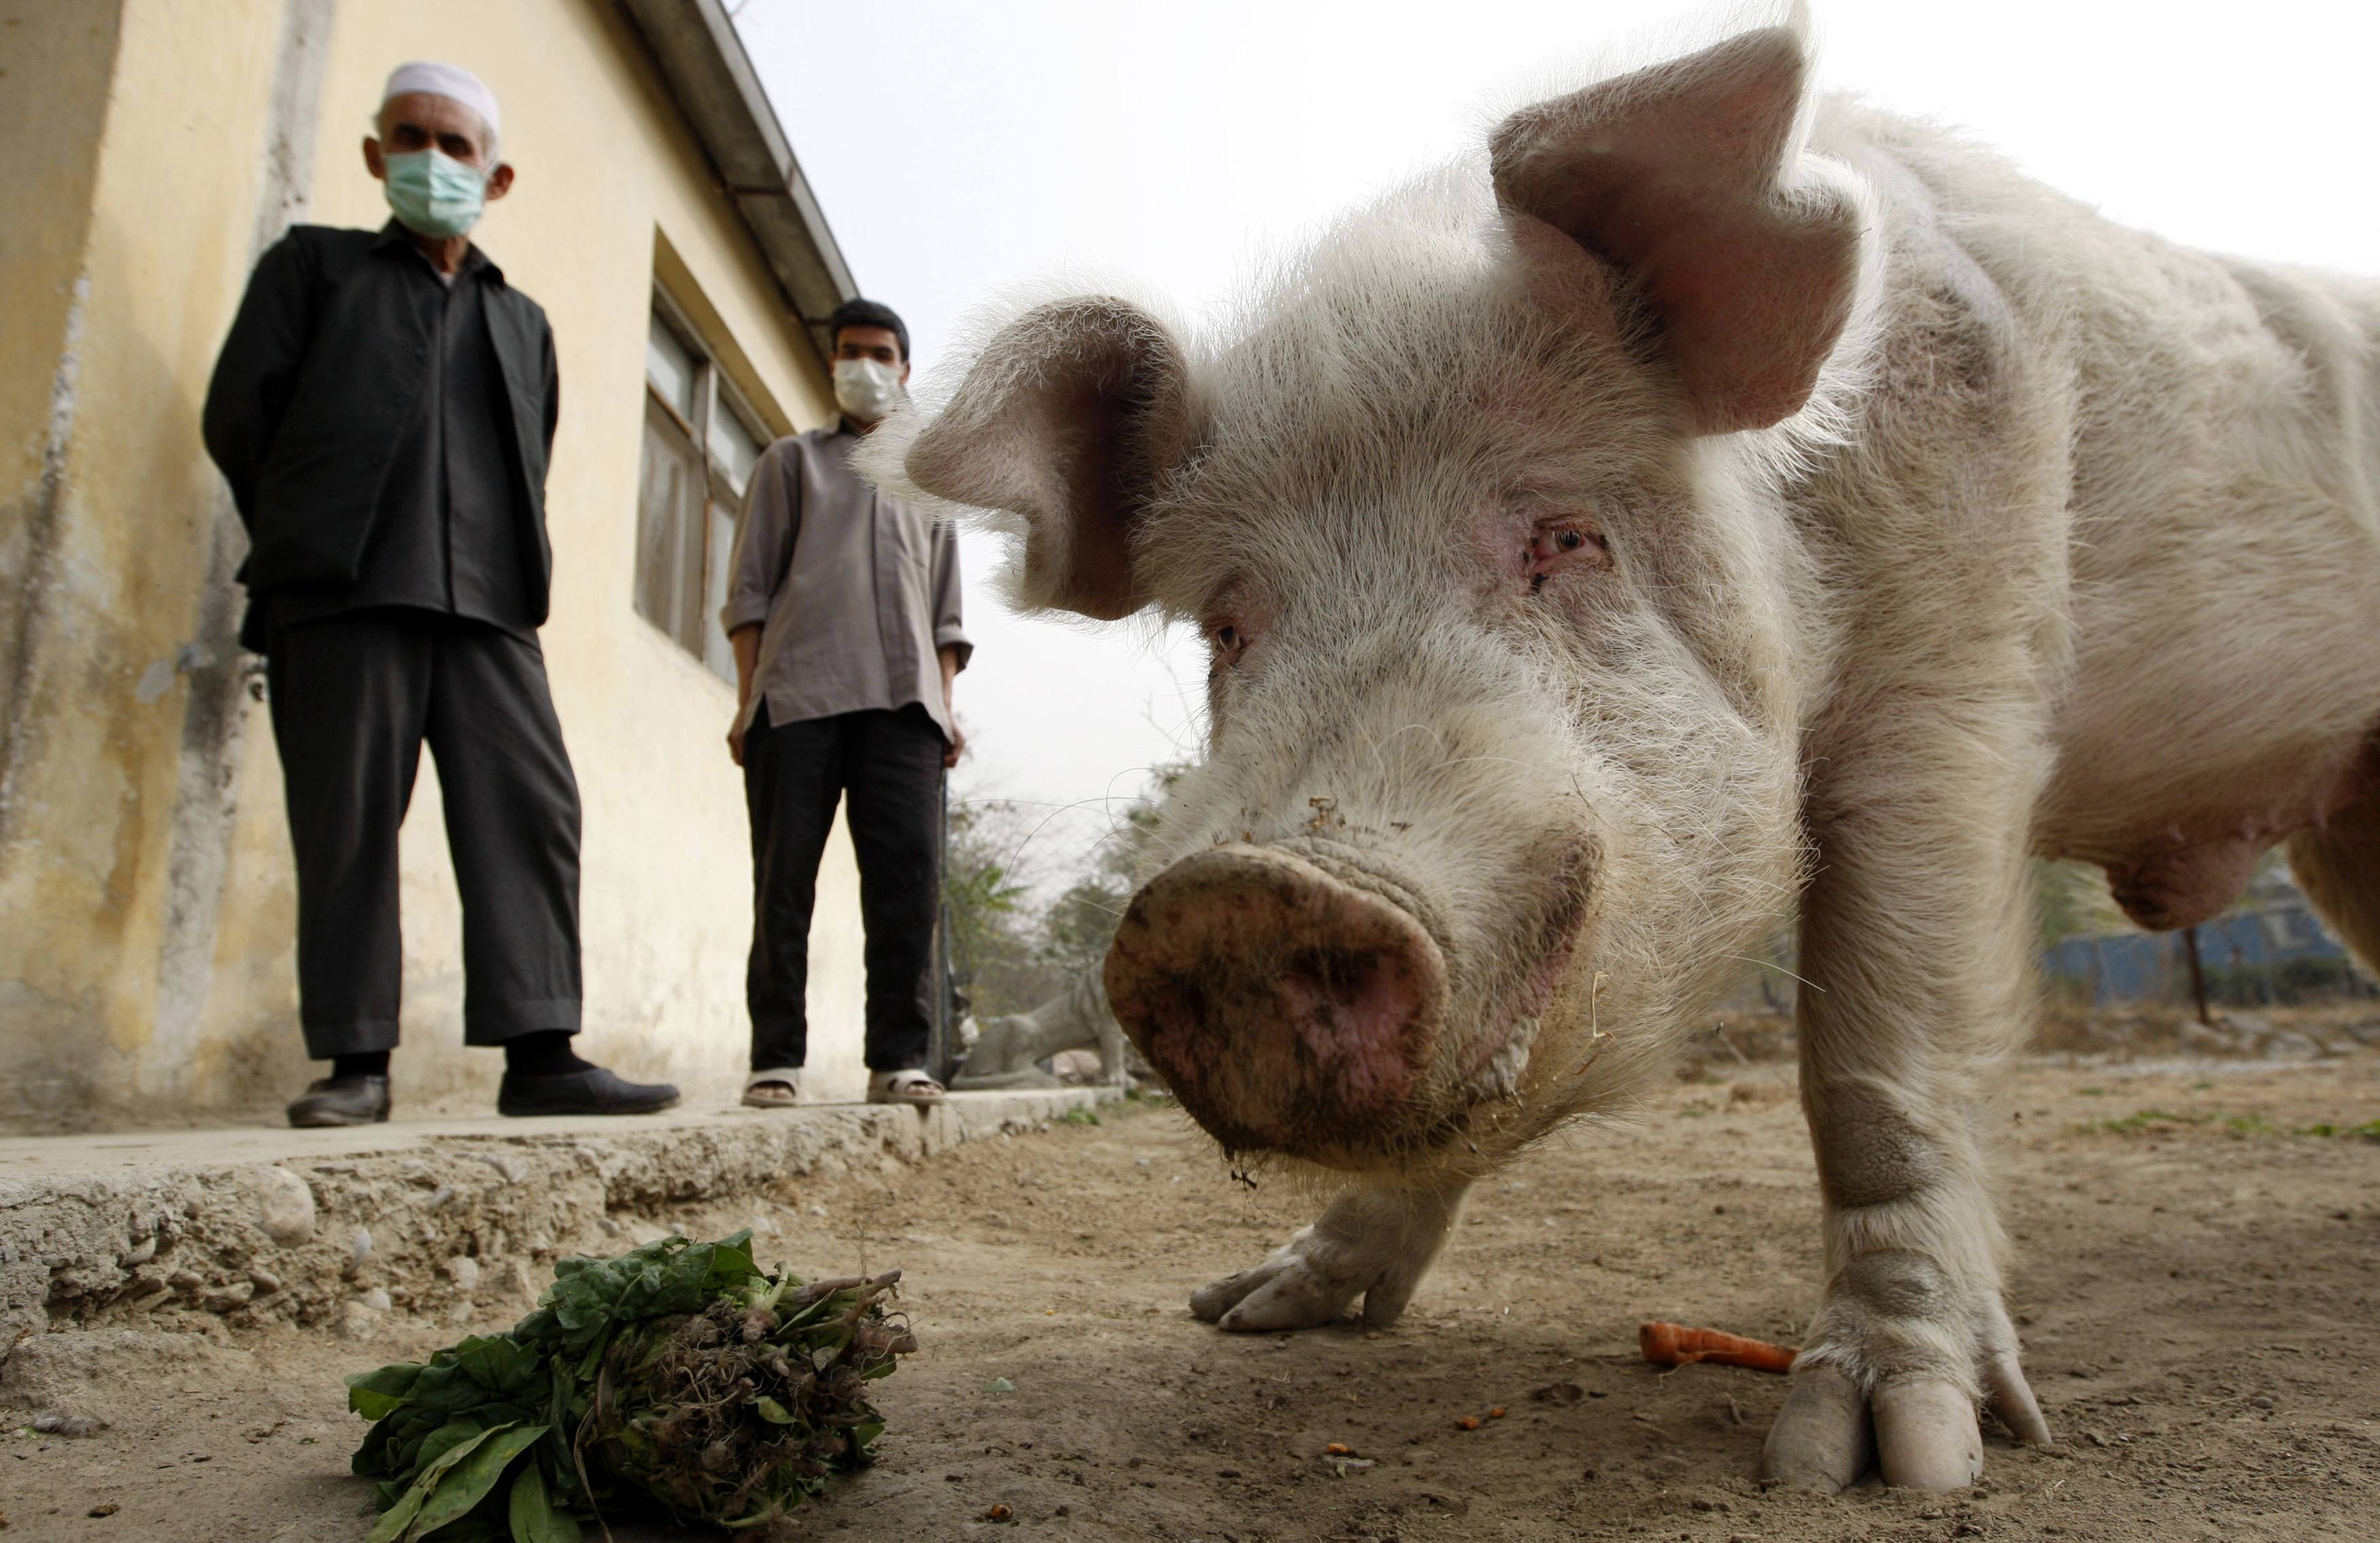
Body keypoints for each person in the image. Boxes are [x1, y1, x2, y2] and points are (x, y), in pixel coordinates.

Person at [202, 61, 679, 1127]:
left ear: (495, 177)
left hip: (492, 604)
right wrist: (312, 526)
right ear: (377, 157)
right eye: (409, 138)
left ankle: (542, 1051)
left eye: (455, 145)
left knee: (532, 811)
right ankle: (355, 1063)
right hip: (341, 591)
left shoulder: (524, 320)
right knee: (349, 827)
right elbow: (241, 418)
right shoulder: (314, 270)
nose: (431, 159)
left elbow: (532, 450)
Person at [723, 299, 969, 1108]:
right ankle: (775, 1059)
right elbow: (751, 592)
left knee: (906, 886)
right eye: (848, 352)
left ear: (904, 369)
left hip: (904, 706)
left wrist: (945, 704)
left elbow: (945, 614)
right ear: (833, 365)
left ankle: (898, 1058)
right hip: (795, 700)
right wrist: (745, 699)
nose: (862, 366)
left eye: (879, 353)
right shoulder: (788, 463)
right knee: (782, 883)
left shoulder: (928, 483)